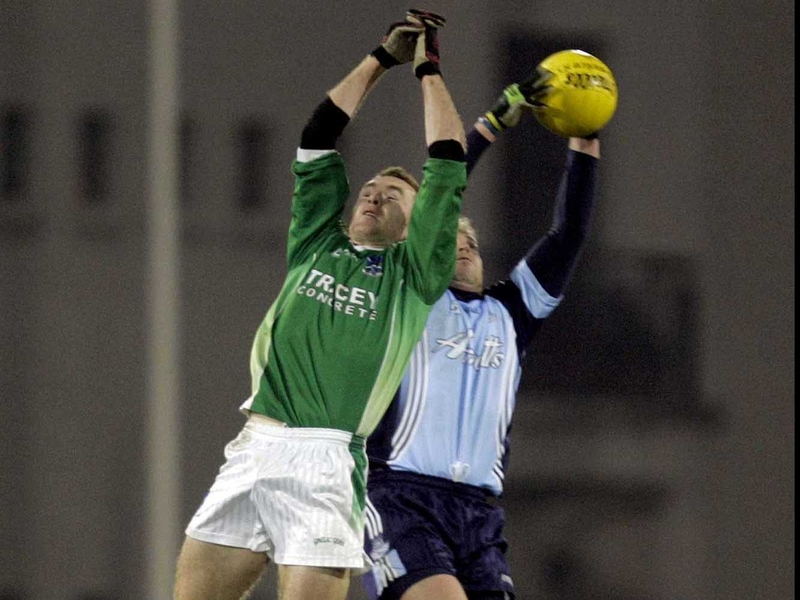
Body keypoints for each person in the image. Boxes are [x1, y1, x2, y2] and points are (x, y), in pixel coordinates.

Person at [173, 11, 467, 600]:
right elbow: (316, 137)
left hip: (325, 462)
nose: (373, 197)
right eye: (369, 190)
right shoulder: (316, 242)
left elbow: (448, 157)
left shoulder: (413, 275)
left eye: (392, 197)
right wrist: (381, 59)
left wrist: (428, 71)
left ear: (419, 226)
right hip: (255, 447)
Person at [361, 71, 603, 600]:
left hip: (479, 512)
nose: (463, 246)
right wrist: (489, 128)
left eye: (469, 239)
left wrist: (584, 142)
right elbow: (438, 196)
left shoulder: (511, 313)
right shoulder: (409, 299)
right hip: (400, 496)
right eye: (448, 240)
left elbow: (569, 235)